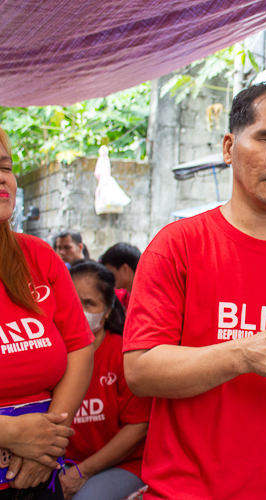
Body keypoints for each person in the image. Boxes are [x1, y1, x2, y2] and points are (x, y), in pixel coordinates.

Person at [122, 78, 266, 500]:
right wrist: (245, 353)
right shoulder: (177, 245)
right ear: (230, 146)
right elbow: (140, 371)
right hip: (189, 492)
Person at [0, 125, 94, 499]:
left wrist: (48, 443)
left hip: (37, 477)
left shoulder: (37, 256)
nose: (1, 179)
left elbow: (79, 348)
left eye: (5, 166)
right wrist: (11, 434)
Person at [62, 261, 151, 500]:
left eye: (89, 303)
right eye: (71, 302)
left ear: (109, 310)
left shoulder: (122, 356)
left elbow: (138, 426)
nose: (78, 311)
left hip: (122, 464)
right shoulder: (51, 356)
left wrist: (82, 471)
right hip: (63, 464)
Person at [99, 243, 141, 311]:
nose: (108, 277)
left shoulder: (145, 299)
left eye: (110, 272)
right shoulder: (126, 296)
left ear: (125, 269)